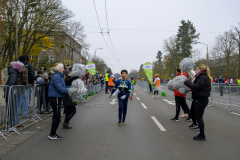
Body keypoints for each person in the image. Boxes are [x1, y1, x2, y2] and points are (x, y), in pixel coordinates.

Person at [184, 64, 212, 141]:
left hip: (202, 100)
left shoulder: (202, 77)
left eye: (196, 69)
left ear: (200, 70)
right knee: (198, 116)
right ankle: (201, 134)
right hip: (200, 99)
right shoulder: (202, 76)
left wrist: (186, 82)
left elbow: (196, 87)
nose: (195, 71)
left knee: (199, 118)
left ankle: (202, 135)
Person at [48, 63, 70, 140]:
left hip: (56, 97)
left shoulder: (58, 76)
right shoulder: (57, 76)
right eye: (62, 68)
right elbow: (60, 88)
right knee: (57, 116)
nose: (63, 69)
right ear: (59, 69)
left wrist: (71, 87)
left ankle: (53, 133)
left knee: (57, 116)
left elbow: (63, 87)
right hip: (55, 97)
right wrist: (70, 90)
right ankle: (52, 134)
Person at [5, 62, 22, 127]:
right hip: (11, 95)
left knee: (10, 110)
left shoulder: (13, 74)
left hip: (10, 95)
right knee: (11, 110)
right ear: (18, 68)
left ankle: (10, 124)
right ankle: (9, 125)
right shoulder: (14, 75)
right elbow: (11, 85)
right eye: (20, 68)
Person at [17, 56, 29, 124]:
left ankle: (13, 119)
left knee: (16, 103)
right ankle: (15, 121)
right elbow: (24, 80)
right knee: (20, 102)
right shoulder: (24, 68)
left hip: (14, 87)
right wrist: (26, 83)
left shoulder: (13, 65)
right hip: (21, 88)